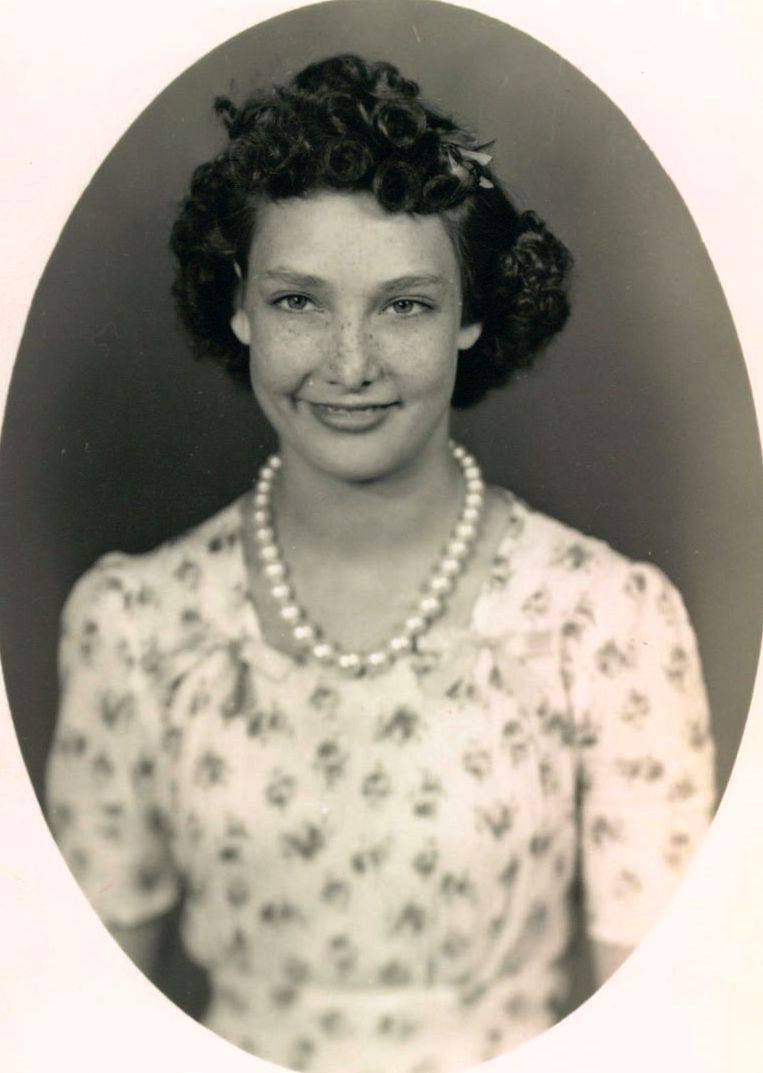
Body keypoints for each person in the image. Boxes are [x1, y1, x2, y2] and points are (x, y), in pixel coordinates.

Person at [45, 54, 715, 1073]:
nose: (349, 364)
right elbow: (80, 1020)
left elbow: (660, 1029)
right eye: (298, 302)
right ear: (239, 307)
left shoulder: (609, 622)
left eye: (403, 305)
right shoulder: (135, 623)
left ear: (470, 315)